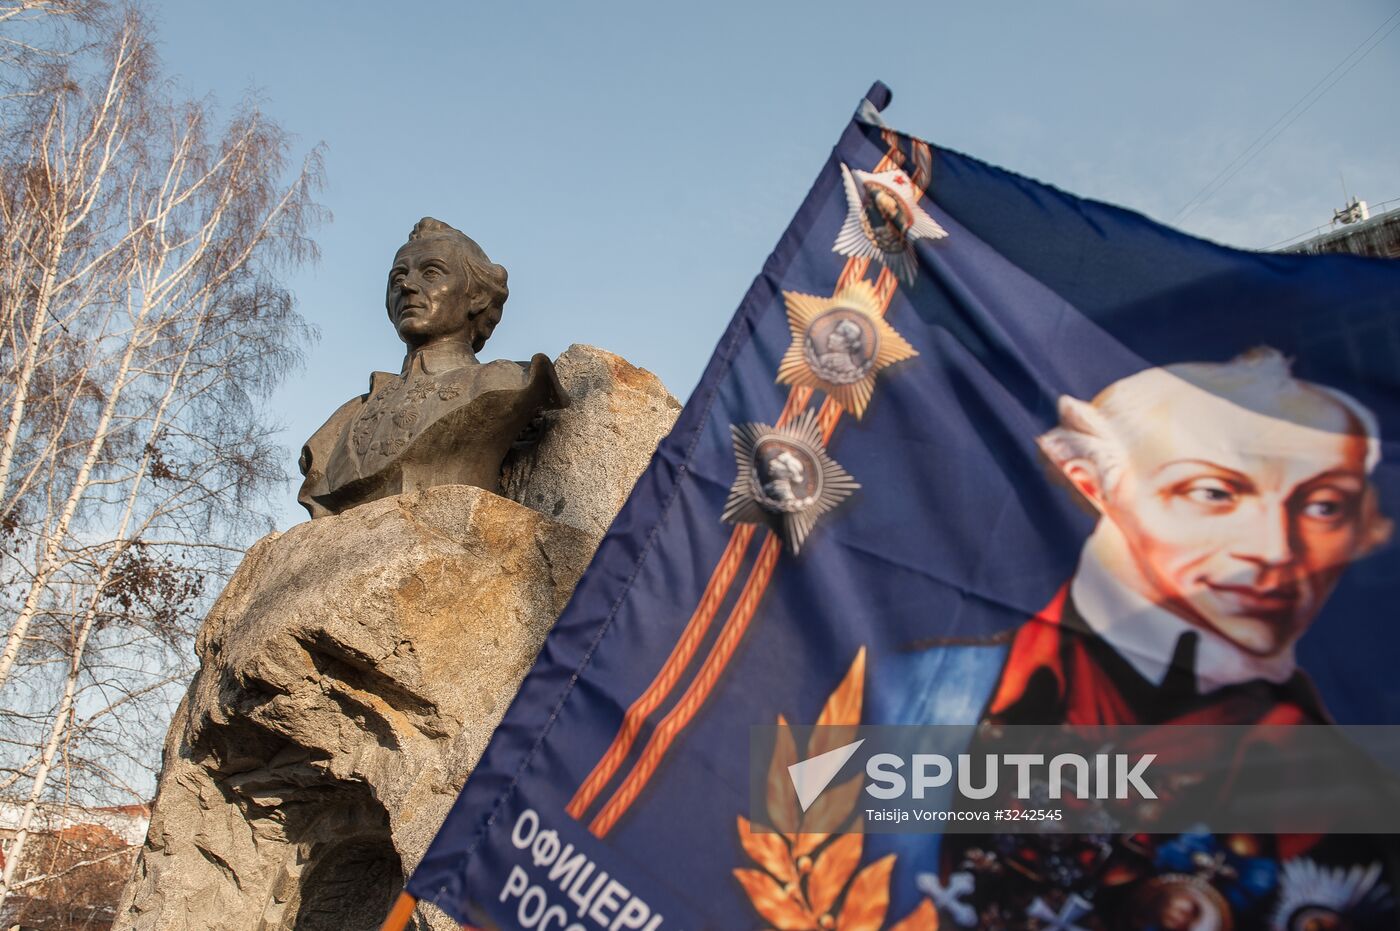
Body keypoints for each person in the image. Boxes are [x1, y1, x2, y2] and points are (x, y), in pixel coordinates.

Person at [297, 218, 566, 518]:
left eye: (431, 273)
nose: (408, 286)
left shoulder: (504, 382)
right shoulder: (344, 420)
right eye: (397, 278)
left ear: (477, 296)